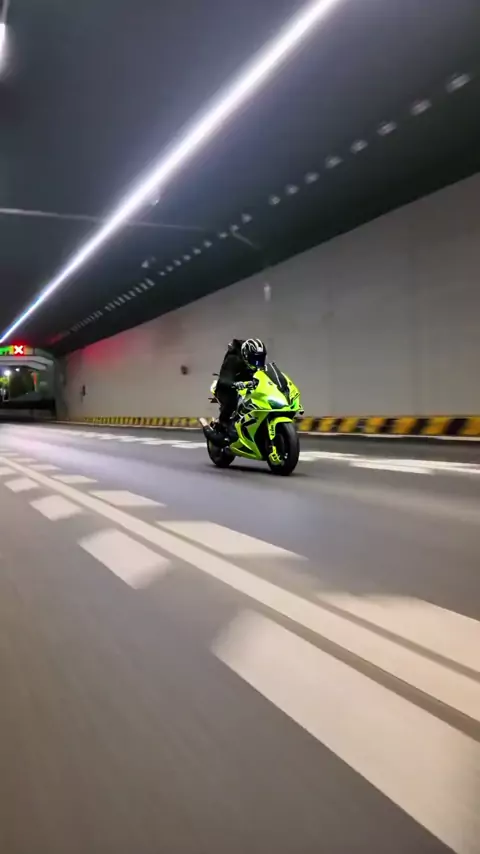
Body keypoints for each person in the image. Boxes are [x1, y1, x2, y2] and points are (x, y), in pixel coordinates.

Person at [215, 338, 267, 432]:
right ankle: (222, 423)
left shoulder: (258, 365)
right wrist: (235, 384)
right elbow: (225, 378)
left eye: (260, 358)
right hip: (227, 387)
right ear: (246, 356)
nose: (257, 362)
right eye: (255, 359)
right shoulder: (233, 360)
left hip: (247, 387)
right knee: (232, 400)